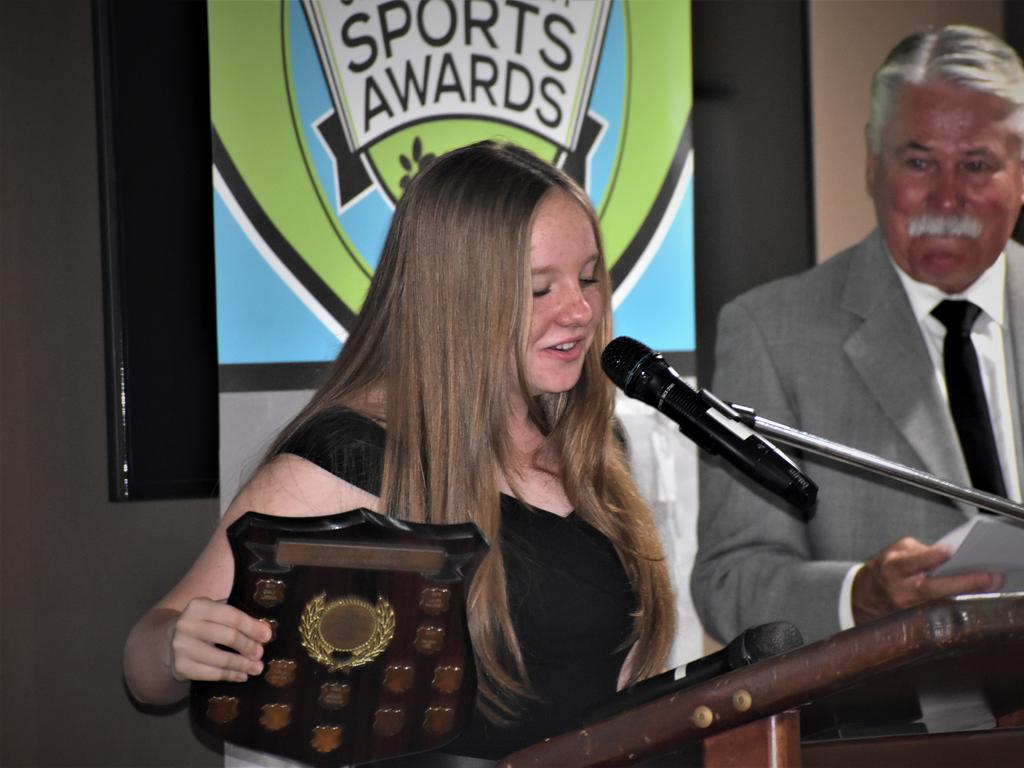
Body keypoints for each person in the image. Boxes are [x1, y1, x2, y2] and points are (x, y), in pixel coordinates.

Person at [123, 141, 676, 762]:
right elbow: (147, 663)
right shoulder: (349, 457)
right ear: (455, 296)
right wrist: (177, 643)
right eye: (539, 289)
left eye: (589, 278)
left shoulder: (591, 446)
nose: (580, 311)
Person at [692, 25, 1024, 646]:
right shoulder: (771, 332)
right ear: (873, 165)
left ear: (1023, 173)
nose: (947, 197)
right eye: (919, 161)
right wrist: (857, 596)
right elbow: (730, 582)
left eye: (977, 165)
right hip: (887, 730)